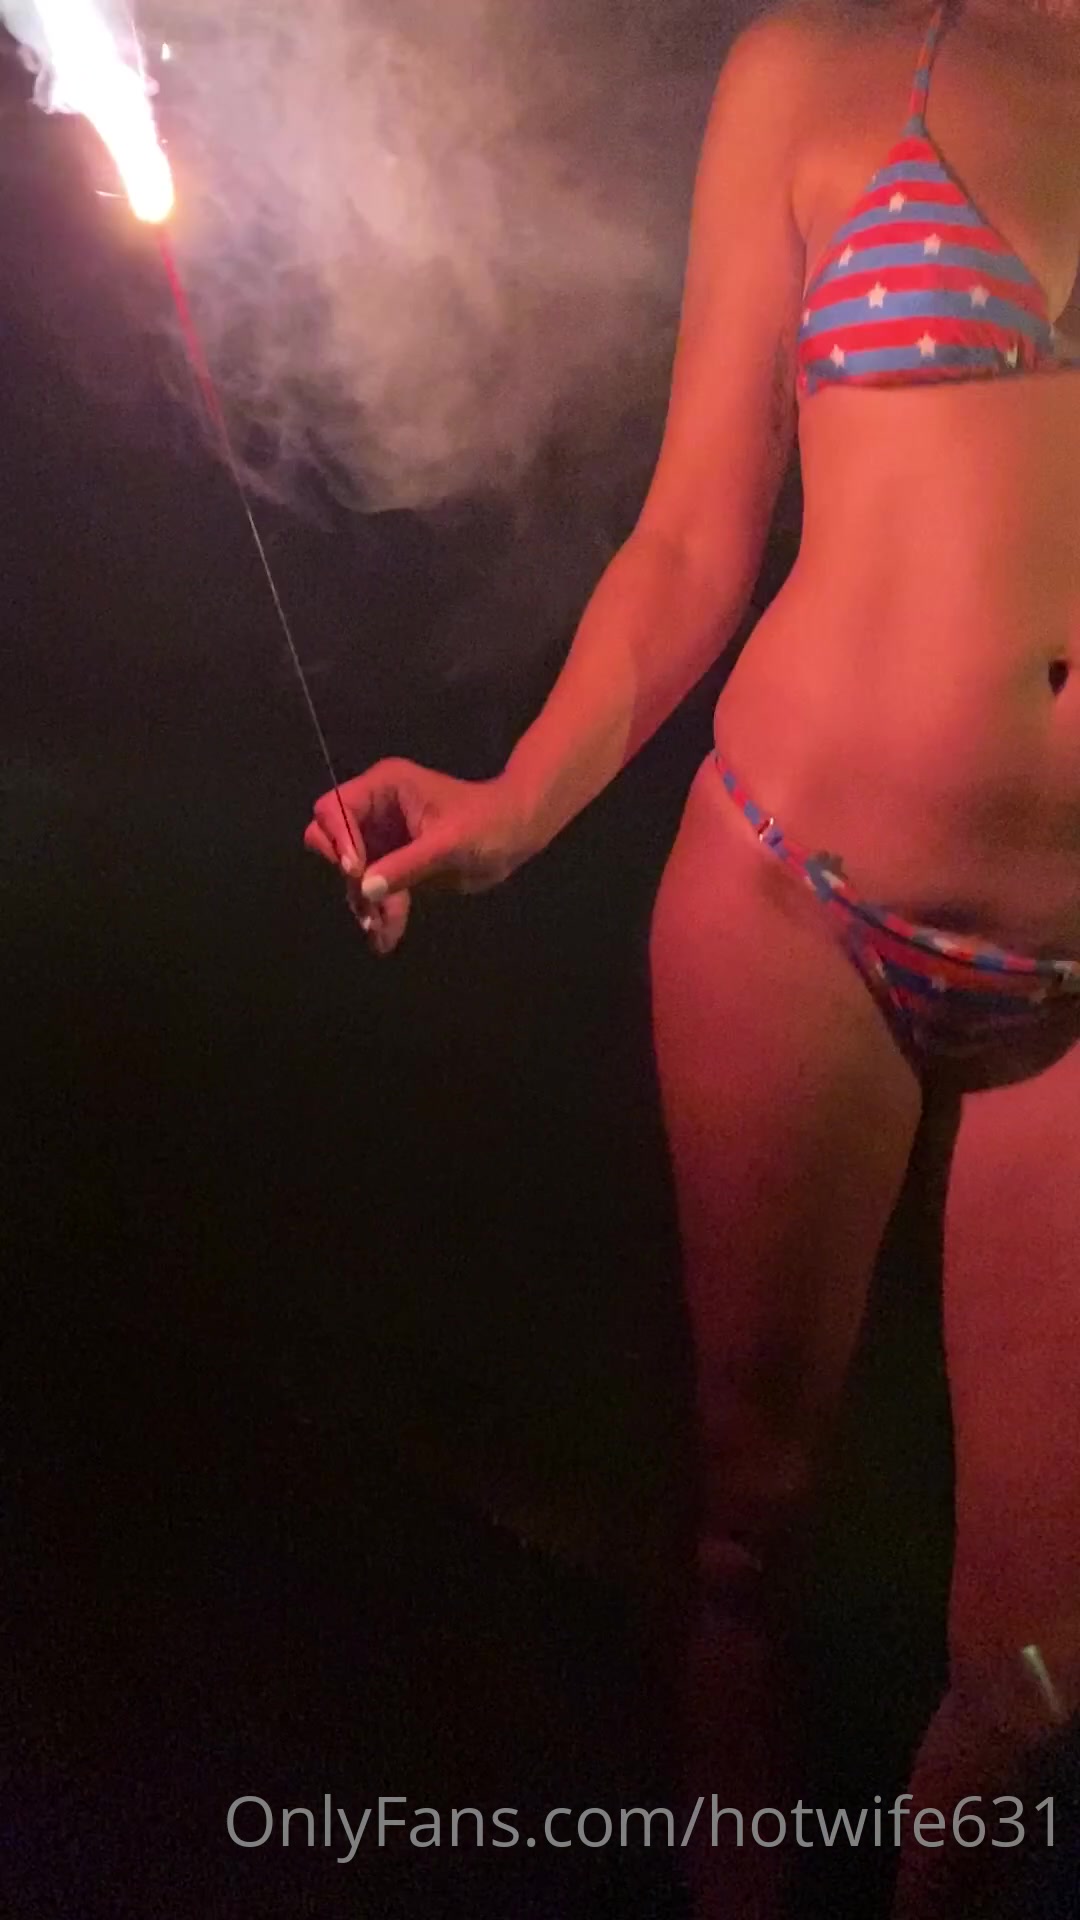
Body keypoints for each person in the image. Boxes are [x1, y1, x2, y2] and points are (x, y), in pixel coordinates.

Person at [306, 0, 1080, 1911]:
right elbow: (688, 538)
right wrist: (520, 803)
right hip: (797, 896)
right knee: (747, 1538)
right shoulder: (818, 69)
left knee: (1036, 1676)